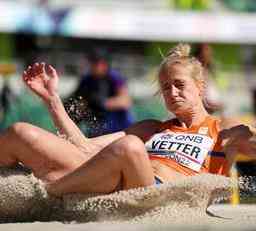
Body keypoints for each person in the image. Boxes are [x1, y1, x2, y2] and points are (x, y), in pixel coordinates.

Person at [0, 44, 255, 197]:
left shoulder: (223, 129)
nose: (172, 92)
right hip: (110, 178)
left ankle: (47, 193)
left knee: (130, 147)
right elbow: (85, 147)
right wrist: (52, 99)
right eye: (165, 88)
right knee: (19, 133)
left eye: (179, 85)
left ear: (200, 88)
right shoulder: (152, 128)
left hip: (153, 193)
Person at [70, 51, 134, 136]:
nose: (93, 66)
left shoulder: (114, 77)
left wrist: (103, 103)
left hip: (119, 130)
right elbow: (77, 100)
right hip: (97, 130)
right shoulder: (86, 80)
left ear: (104, 64)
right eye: (92, 62)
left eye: (96, 62)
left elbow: (126, 101)